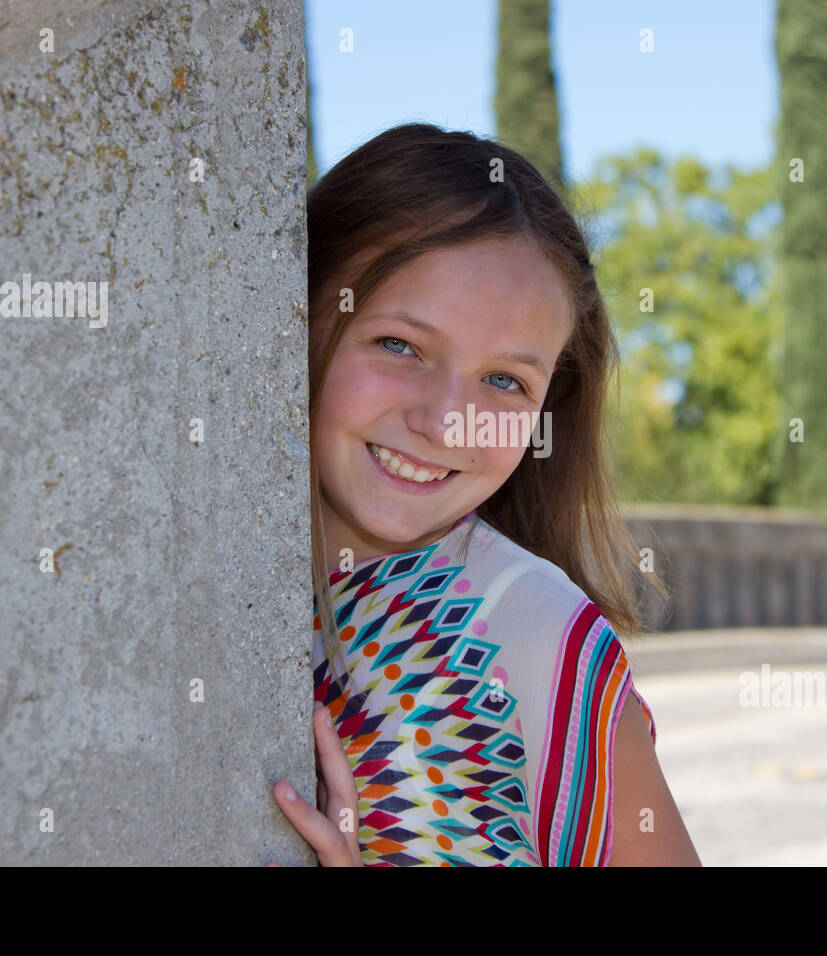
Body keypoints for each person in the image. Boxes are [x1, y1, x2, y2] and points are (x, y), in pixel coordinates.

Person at [271, 122, 700, 866]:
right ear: (297, 318)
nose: (444, 422)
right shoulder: (207, 582)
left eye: (504, 381)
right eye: (399, 345)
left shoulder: (543, 638)